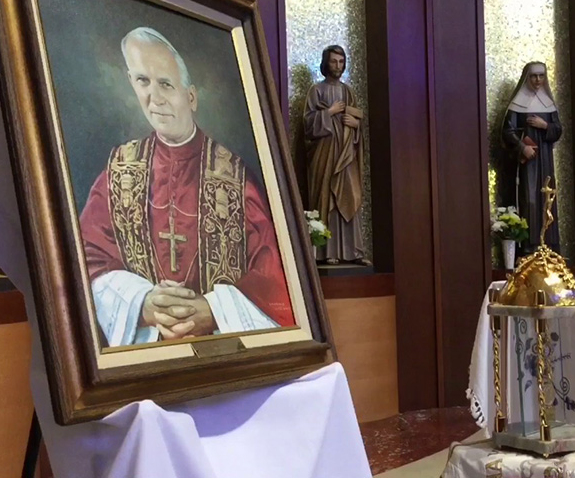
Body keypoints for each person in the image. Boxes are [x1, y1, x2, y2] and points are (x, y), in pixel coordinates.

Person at [79, 27, 295, 347]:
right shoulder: (118, 172)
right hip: (142, 357)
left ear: (191, 97)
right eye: (143, 82)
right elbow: (85, 261)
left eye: (165, 83)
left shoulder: (234, 178)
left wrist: (214, 309)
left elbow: (273, 279)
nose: (154, 99)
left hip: (217, 359)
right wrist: (142, 303)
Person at [303, 45, 368, 265]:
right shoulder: (316, 91)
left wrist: (356, 126)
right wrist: (329, 112)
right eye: (334, 61)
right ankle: (326, 252)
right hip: (325, 156)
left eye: (341, 62)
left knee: (349, 196)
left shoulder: (349, 92)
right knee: (326, 198)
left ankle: (352, 252)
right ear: (325, 63)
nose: (338, 66)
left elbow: (357, 122)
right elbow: (308, 126)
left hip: (346, 156)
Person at [500, 61, 562, 254]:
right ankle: (529, 248)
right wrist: (522, 148)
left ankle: (548, 246)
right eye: (534, 76)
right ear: (527, 77)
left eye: (541, 76)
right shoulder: (517, 103)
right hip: (528, 163)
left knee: (547, 198)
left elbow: (558, 130)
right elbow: (507, 131)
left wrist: (545, 126)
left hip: (545, 159)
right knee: (529, 199)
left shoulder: (548, 103)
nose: (537, 80)